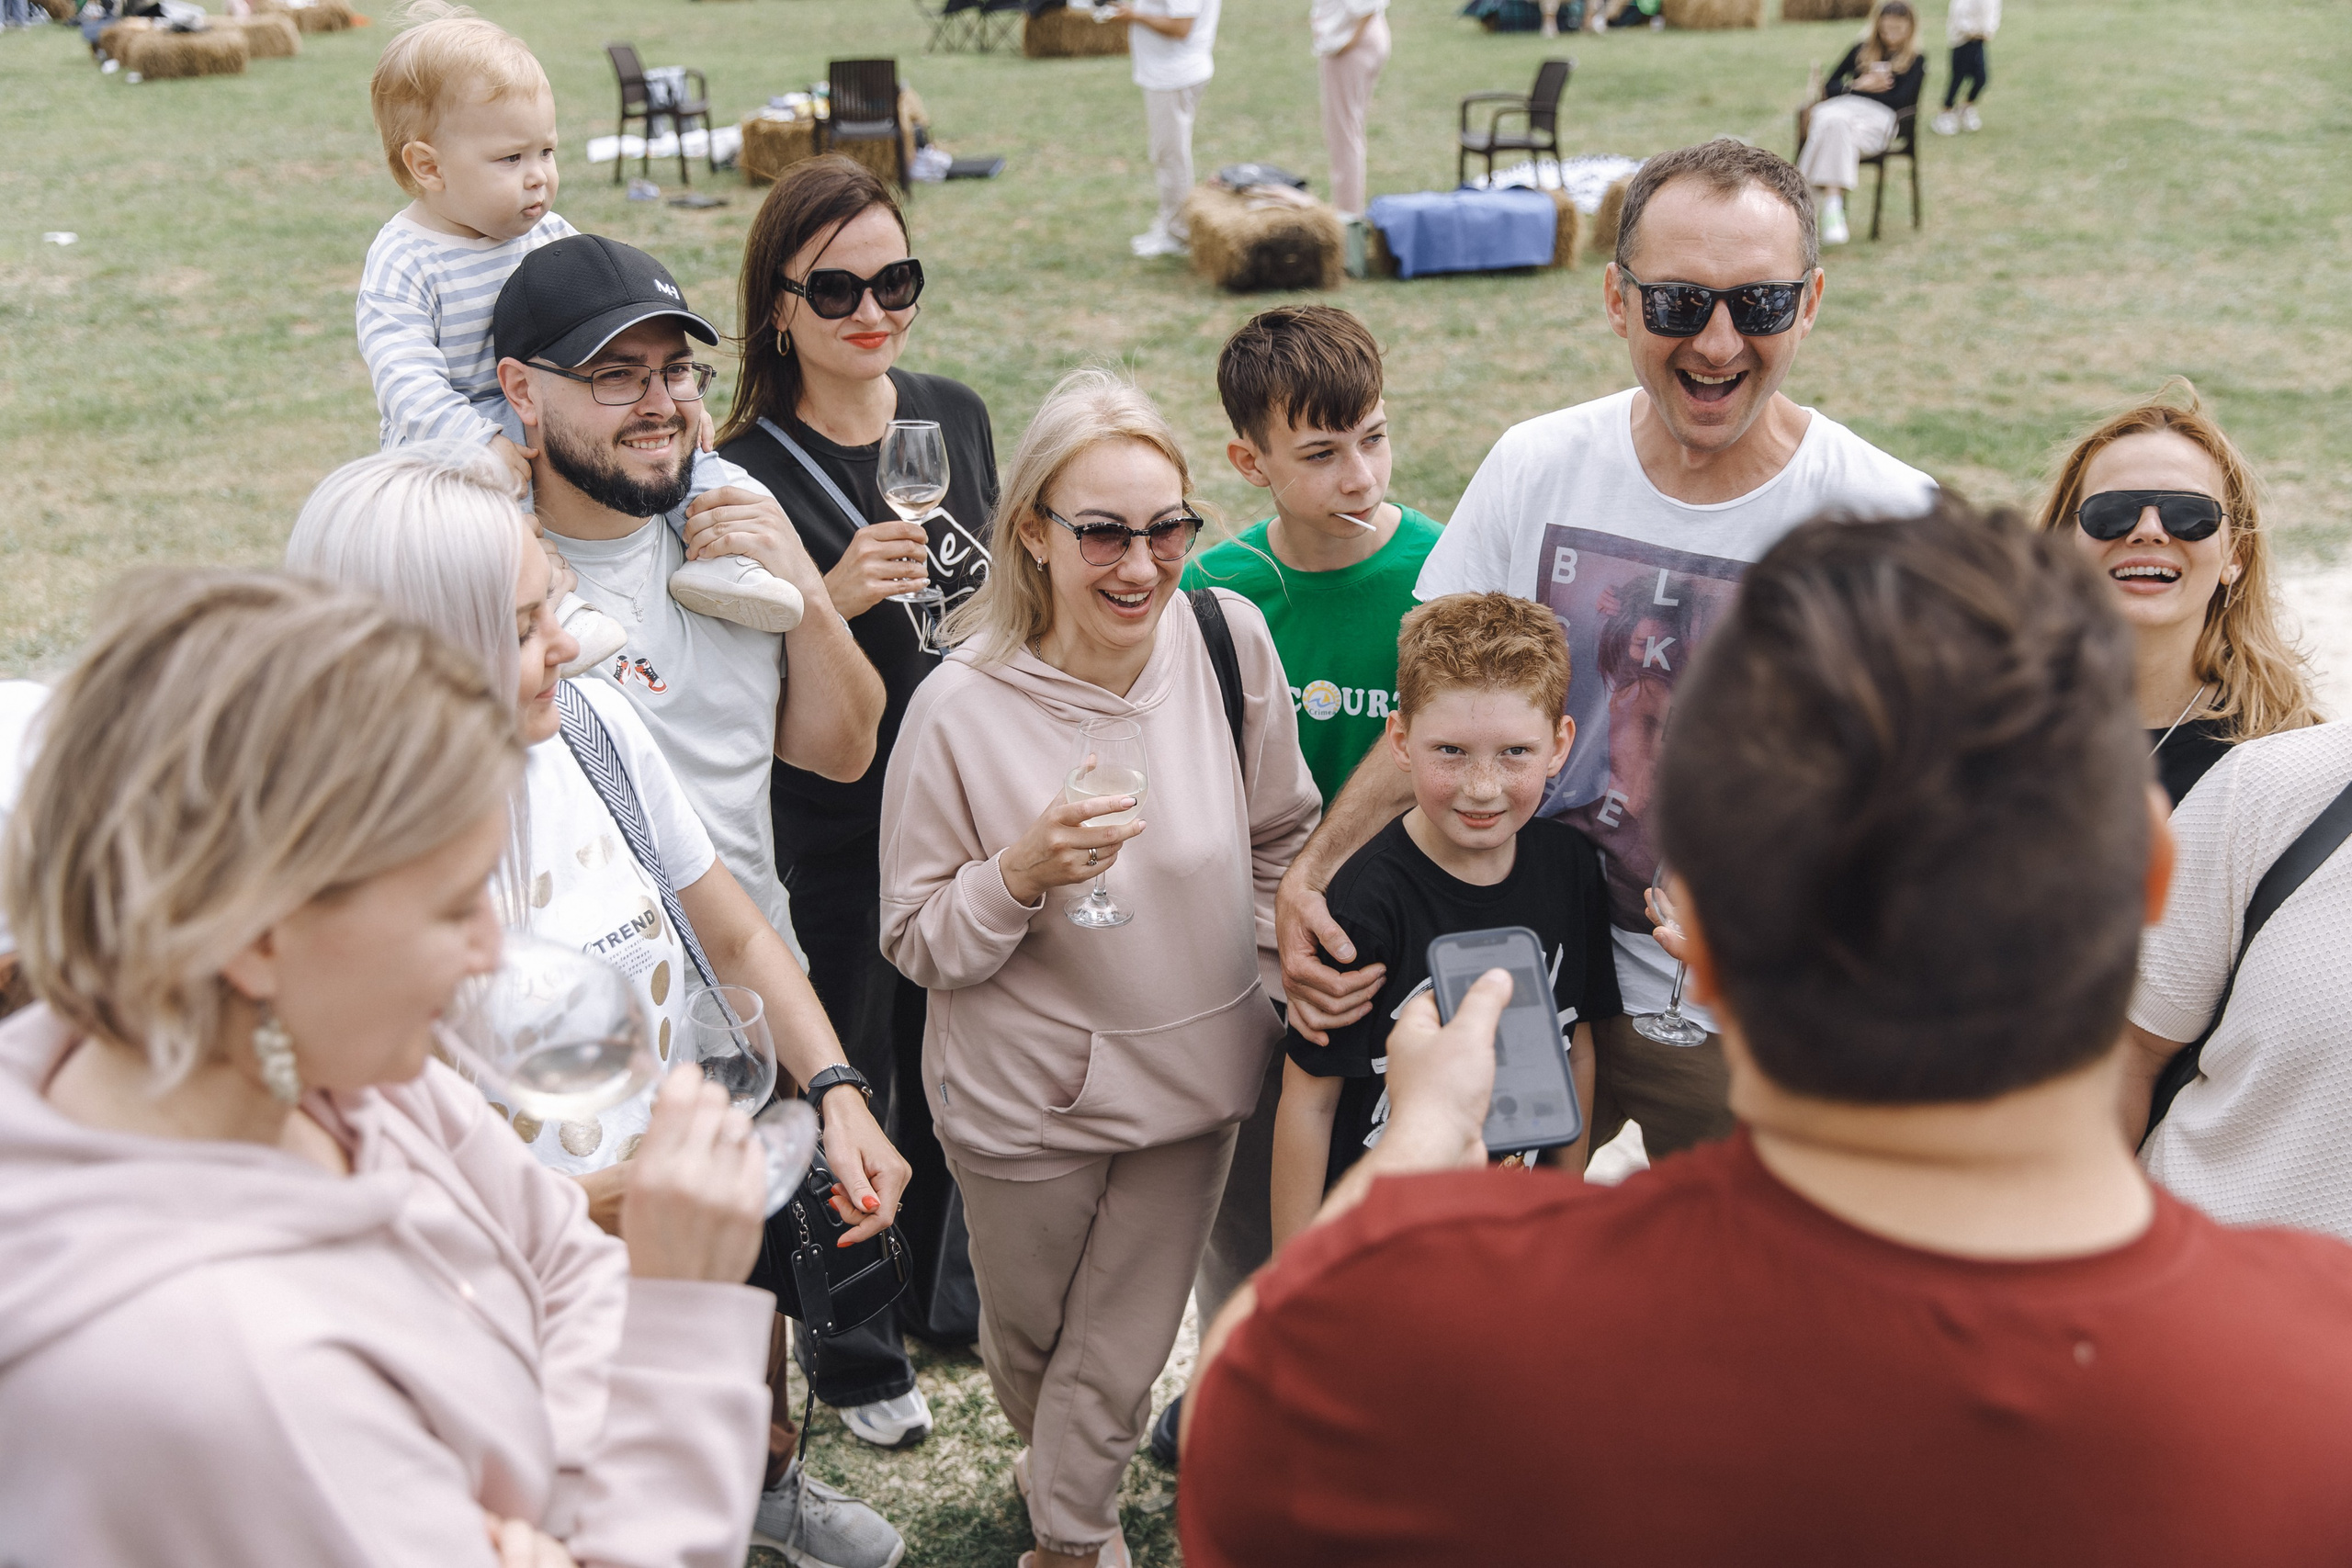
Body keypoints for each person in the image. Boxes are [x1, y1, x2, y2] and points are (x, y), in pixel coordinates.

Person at [1179, 501, 2352, 1565]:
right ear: (2150, 874)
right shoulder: (2319, 1368)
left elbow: (1251, 1421)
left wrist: (1415, 1153)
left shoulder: (1392, 1330)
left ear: (1697, 917)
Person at [0, 570, 777, 1567]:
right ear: (253, 935)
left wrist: (532, 1510)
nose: (491, 951)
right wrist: (675, 1330)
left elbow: (561, 1259)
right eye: (456, 907)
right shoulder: (222, 1376)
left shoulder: (326, 1062)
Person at [1277, 139, 1934, 1176]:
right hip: (1522, 970)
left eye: (1757, 305)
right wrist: (1316, 869)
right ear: (1617, 301)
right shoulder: (1537, 466)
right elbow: (1438, 718)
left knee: (1731, 1310)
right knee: (1506, 1298)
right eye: (1678, 303)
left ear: (1808, 304)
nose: (1717, 343)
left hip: (1748, 1022)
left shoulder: (1891, 521)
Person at [879, 369, 1319, 1568]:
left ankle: (1073, 1541)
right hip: (1023, 1101)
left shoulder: (1229, 639)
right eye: (1105, 531)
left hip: (1194, 1072)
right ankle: (1062, 1477)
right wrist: (1019, 872)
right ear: (1032, 530)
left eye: (1169, 526)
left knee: (1116, 1360)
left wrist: (1269, 979)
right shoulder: (956, 708)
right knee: (1034, 1355)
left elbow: (1285, 828)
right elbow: (920, 937)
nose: (1143, 563)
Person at [715, 154, 999, 1453]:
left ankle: (948, 1292)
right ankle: (859, 1338)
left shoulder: (951, 412)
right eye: (834, 287)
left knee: (961, 1062)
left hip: (963, 797)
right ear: (777, 307)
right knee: (850, 1073)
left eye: (896, 278)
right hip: (830, 821)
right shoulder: (738, 473)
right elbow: (730, 689)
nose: (871, 309)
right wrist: (835, 589)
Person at [1155, 304, 1442, 1461]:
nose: (1358, 474)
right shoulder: (1211, 593)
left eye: (1371, 439)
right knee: (1248, 1206)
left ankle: (1381, 1412)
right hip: (1257, 962)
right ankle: (1241, 1386)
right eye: (1320, 454)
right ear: (1248, 462)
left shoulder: (1443, 570)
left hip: (1408, 956)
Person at [358, 1, 802, 677]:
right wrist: (477, 444)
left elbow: (609, 318)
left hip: (553, 399)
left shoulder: (548, 231)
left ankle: (721, 558)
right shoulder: (405, 260)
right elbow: (404, 379)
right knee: (493, 528)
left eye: (546, 150)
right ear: (428, 166)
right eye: (510, 157)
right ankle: (554, 605)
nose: (538, 174)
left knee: (691, 453)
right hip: (458, 434)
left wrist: (675, 391)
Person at [493, 233, 888, 975]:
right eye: (617, 376)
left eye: (676, 373)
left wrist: (804, 584)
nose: (659, 407)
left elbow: (842, 752)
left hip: (764, 1001)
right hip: (591, 1033)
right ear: (522, 391)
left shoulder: (736, 524)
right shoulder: (498, 585)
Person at [1270, 592, 1613, 1247]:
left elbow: (1579, 1051)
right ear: (1399, 740)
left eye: (1515, 752)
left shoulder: (1571, 870)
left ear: (1560, 743)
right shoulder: (1364, 902)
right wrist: (1293, 1278)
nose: (1481, 786)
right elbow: (1309, 1103)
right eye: (1450, 750)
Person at [2035, 383, 2318, 807]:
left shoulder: (2296, 759)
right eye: (2111, 512)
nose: (2149, 530)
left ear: (2234, 556)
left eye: (2189, 514)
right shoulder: (1980, 729)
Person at [1797, 0, 1925, 245]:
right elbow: (1829, 87)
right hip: (1841, 110)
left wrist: (1874, 90)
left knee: (1835, 126)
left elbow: (1902, 99)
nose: (1891, 36)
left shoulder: (1915, 60)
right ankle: (1833, 207)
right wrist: (1858, 85)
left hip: (1878, 119)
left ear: (1910, 29)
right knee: (1834, 121)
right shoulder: (1860, 50)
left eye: (1898, 30)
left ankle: (1803, 207)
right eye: (1886, 29)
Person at [1102, 0, 1221, 259]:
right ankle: (1170, 224)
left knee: (1170, 156)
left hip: (1174, 75)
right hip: (1167, 73)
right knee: (1165, 154)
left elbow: (1181, 26)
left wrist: (1133, 15)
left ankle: (1178, 234)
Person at [1310, 0, 1389, 220]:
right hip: (1355, 38)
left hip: (1352, 43)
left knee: (1344, 136)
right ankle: (1349, 215)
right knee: (1347, 132)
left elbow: (1368, 5)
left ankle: (1348, 219)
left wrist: (1347, 41)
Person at [1932, 0, 1998, 136]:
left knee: (1981, 78)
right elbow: (1959, 15)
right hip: (1961, 41)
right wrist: (1971, 30)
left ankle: (1966, 108)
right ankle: (1946, 112)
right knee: (1957, 78)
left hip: (1979, 41)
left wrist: (1988, 30)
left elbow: (1993, 12)